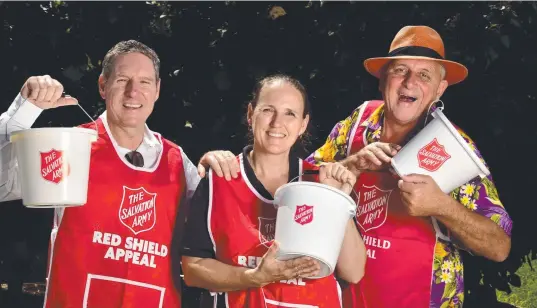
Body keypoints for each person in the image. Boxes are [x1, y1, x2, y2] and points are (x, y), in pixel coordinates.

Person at [200, 26, 513, 308]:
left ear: (439, 90)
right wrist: (226, 165)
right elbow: (298, 178)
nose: (409, 82)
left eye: (424, 75)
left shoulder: (453, 149)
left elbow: (499, 247)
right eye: (400, 70)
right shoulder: (359, 123)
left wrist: (442, 205)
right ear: (382, 79)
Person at [0, 40, 202, 308]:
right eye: (122, 80)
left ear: (157, 90)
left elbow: (213, 234)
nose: (133, 92)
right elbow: (3, 185)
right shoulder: (70, 147)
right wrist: (22, 112)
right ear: (103, 86)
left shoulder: (178, 162)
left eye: (144, 82)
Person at [180, 74, 366, 308]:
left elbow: (354, 272)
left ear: (303, 124)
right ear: (251, 114)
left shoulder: (321, 180)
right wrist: (255, 277)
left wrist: (337, 199)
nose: (277, 122)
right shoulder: (220, 179)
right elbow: (192, 269)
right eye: (268, 109)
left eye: (290, 113)